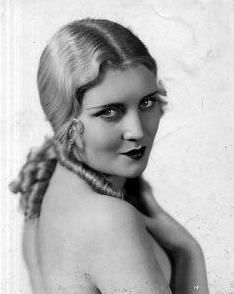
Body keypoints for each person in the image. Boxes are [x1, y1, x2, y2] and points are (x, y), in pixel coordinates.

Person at [9, 18, 209, 294]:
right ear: (66, 122)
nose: (137, 130)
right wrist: (189, 251)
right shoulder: (110, 220)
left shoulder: (45, 185)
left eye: (147, 102)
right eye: (110, 112)